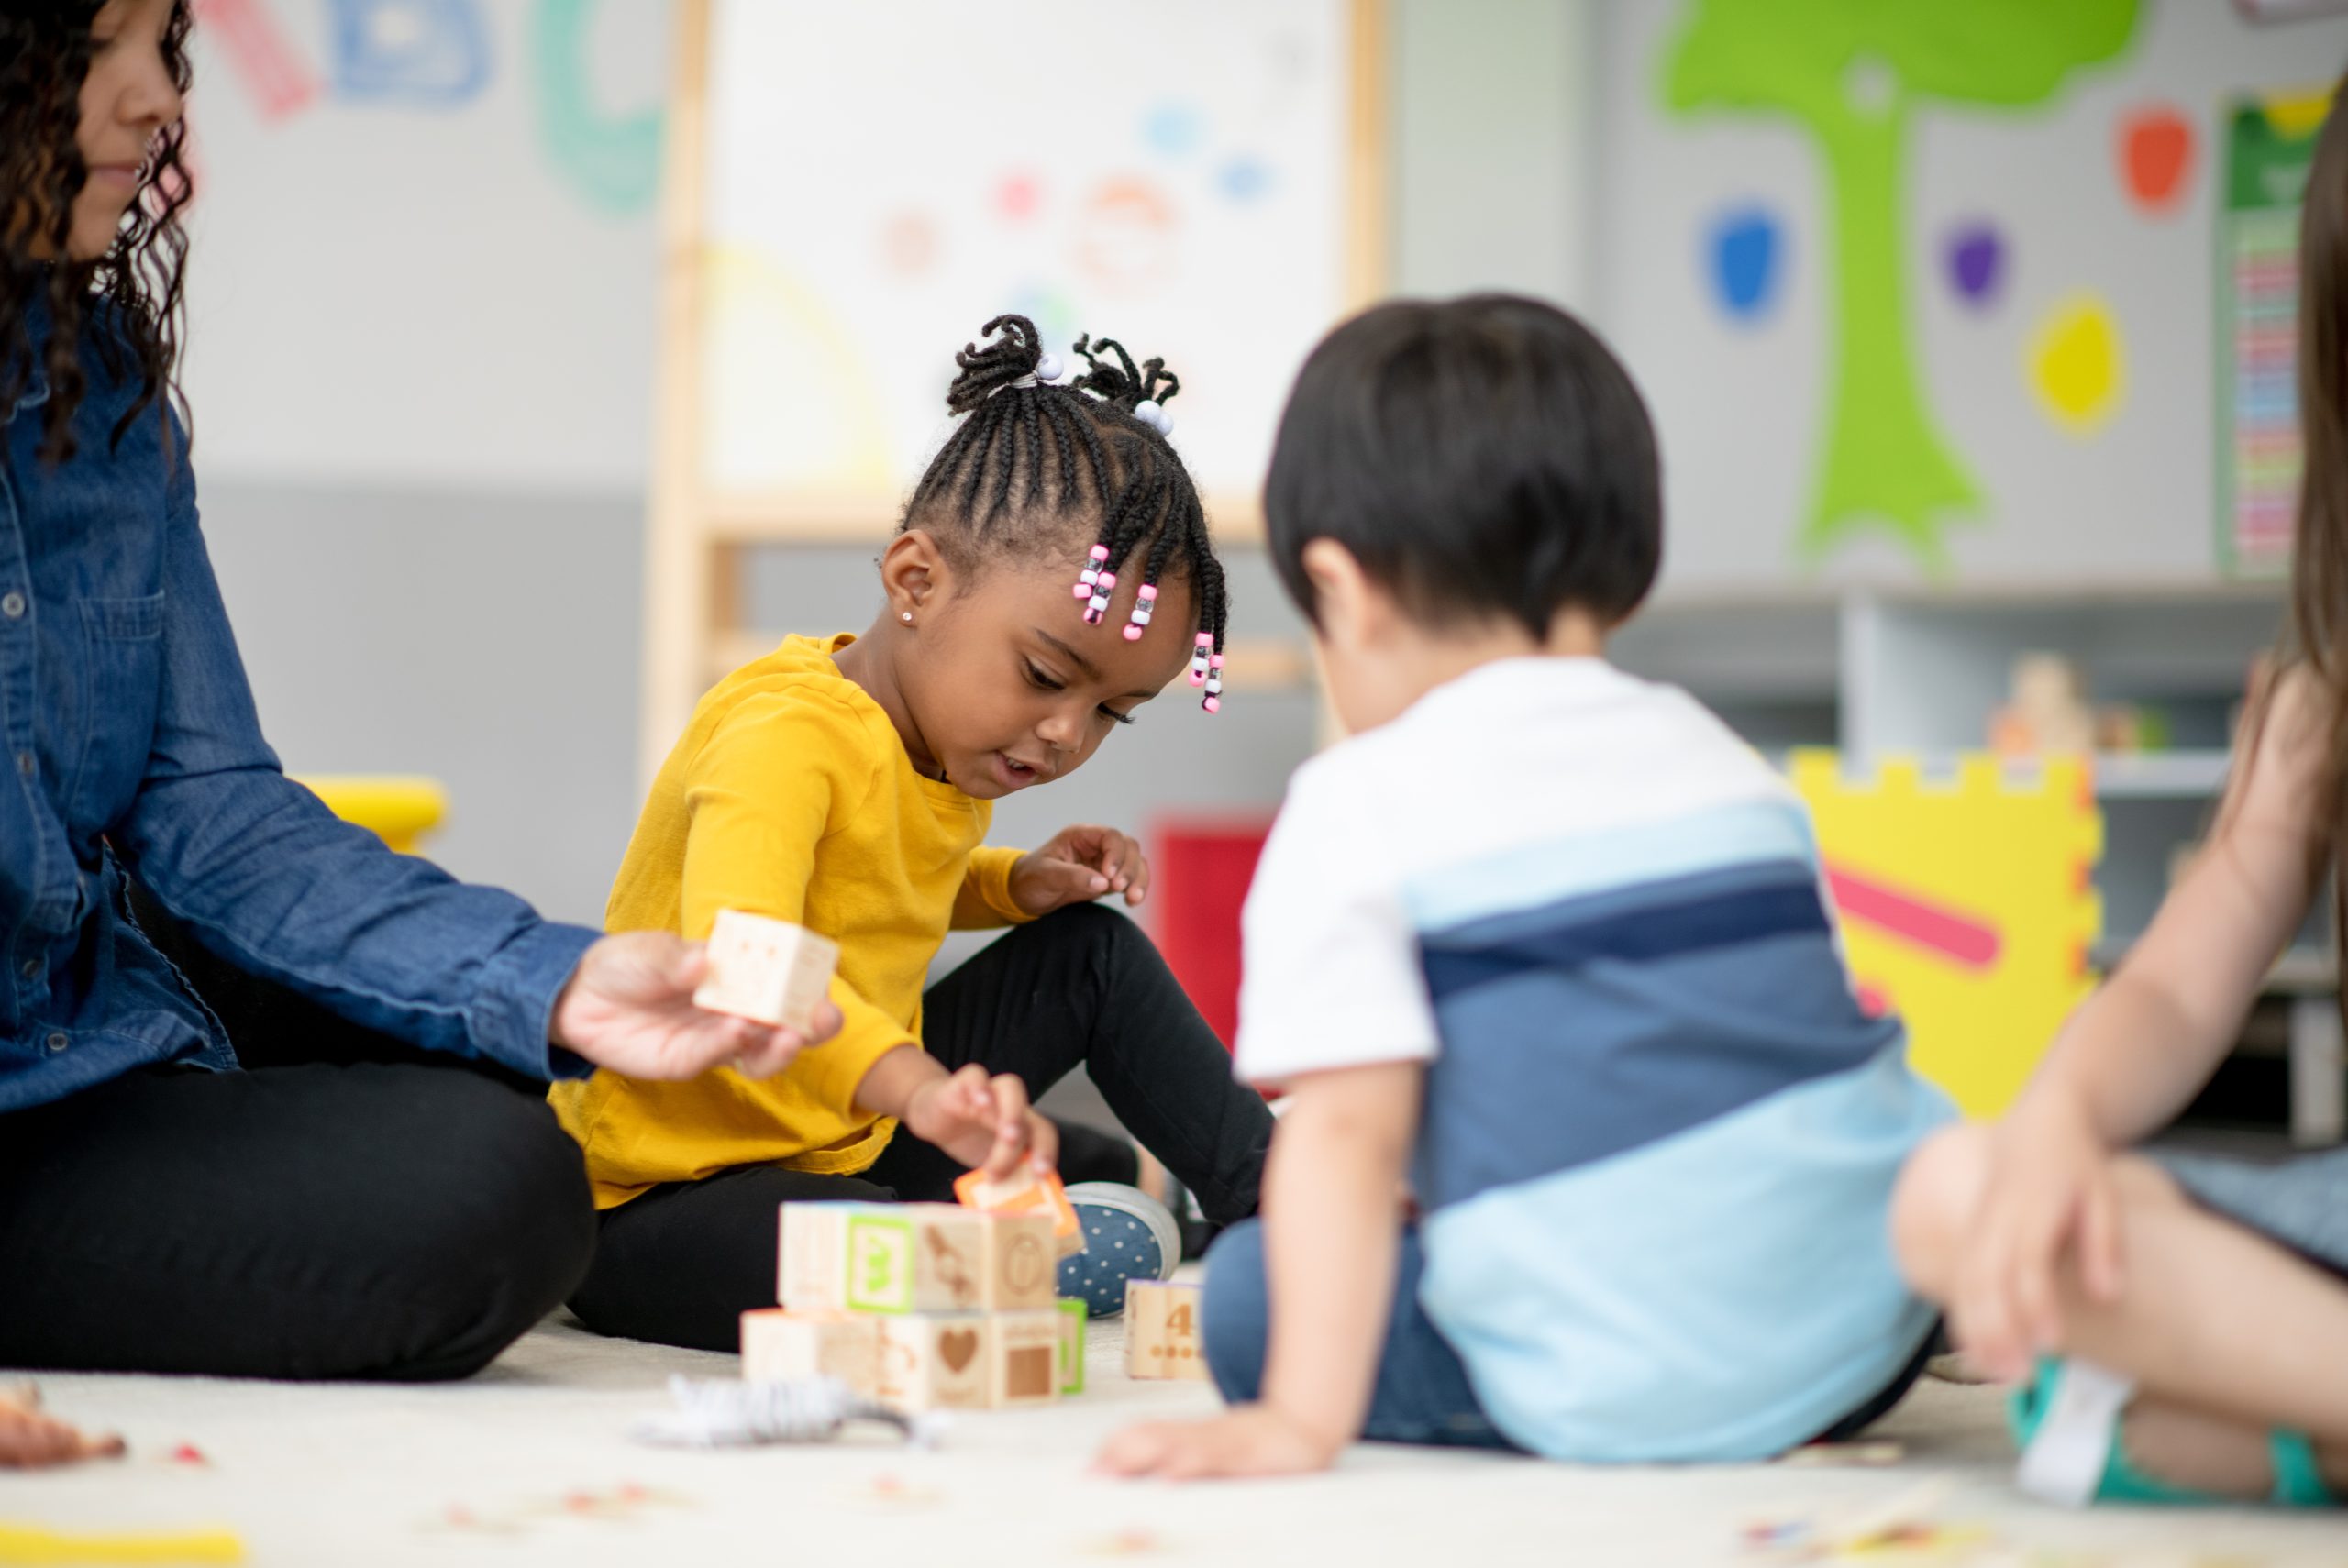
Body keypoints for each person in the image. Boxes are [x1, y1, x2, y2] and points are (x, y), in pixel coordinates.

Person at [0, 0, 836, 1384]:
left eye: (163, 43)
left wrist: (561, 980)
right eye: (90, 48)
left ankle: (912, 1201)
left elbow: (214, 807)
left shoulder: (112, 384)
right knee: (493, 1184)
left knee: (557, 1061)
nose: (155, 99)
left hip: (94, 995)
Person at [1099, 294, 1953, 1480]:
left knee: (1250, 1289)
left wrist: (1299, 1419)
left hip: (1626, 1376)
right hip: (1862, 1333)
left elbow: (1347, 1130)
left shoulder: (1359, 803)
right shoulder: (1728, 764)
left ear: (1342, 588)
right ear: (1625, 558)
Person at [553, 315, 1275, 1353]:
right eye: (1043, 676)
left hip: (853, 1133)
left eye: (1112, 713)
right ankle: (1034, 1228)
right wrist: (918, 1087)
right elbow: (745, 961)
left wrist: (1006, 884)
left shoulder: (934, 738)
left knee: (1091, 958)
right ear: (915, 582)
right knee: (885, 1254)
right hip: (671, 1200)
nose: (1067, 733)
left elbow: (867, 880)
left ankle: (1277, 1204)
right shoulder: (786, 734)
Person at [1882, 83, 2348, 1513]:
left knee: (2111, 1412)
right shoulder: (2323, 676)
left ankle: (2265, 1413)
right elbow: (2175, 986)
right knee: (1952, 1196)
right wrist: (2060, 1128)